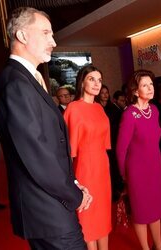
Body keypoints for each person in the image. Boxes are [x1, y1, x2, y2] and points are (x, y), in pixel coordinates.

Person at [0, 7, 92, 250]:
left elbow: (48, 144)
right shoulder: (16, 84)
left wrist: (73, 183)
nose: (53, 41)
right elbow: (37, 155)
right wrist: (74, 194)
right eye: (46, 33)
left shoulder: (25, 79)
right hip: (48, 211)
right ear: (23, 36)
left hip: (50, 204)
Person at [64, 65, 111, 250]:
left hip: (102, 168)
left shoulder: (100, 108)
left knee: (103, 214)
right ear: (82, 82)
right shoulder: (73, 108)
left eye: (99, 80)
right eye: (92, 79)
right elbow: (68, 151)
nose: (96, 83)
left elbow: (105, 144)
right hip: (84, 169)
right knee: (88, 216)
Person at [116, 69, 161, 250]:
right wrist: (124, 176)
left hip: (154, 168)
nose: (150, 88)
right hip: (136, 173)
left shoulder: (154, 110)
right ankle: (146, 248)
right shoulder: (129, 115)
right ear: (136, 91)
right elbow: (121, 150)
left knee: (156, 210)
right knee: (141, 212)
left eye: (151, 84)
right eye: (145, 85)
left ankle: (158, 246)